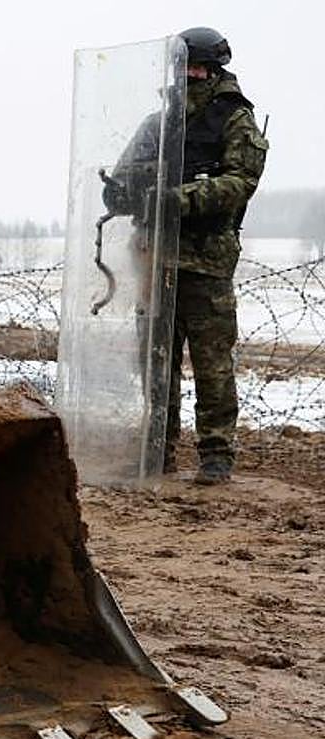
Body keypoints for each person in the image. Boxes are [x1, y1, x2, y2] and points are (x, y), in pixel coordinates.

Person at [164, 27, 268, 485]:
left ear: (210, 69)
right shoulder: (164, 118)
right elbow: (131, 170)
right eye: (181, 67)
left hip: (206, 261)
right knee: (157, 368)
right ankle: (157, 449)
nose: (186, 75)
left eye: (193, 67)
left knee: (211, 366)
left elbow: (241, 182)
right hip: (158, 260)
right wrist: (125, 191)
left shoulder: (234, 118)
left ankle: (216, 454)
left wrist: (179, 199)